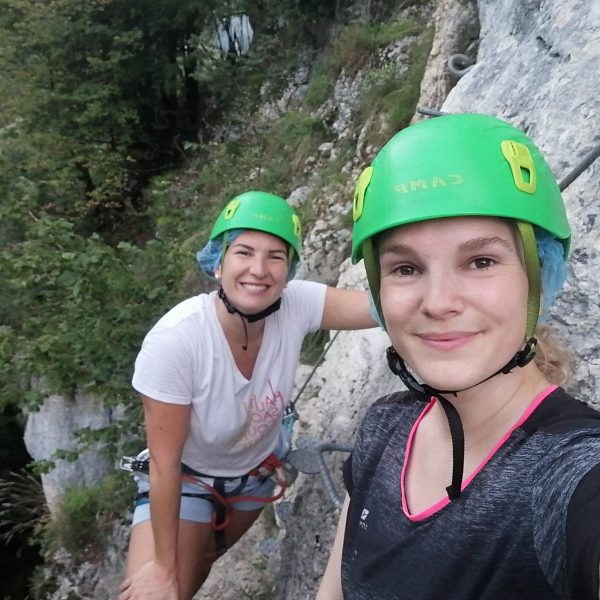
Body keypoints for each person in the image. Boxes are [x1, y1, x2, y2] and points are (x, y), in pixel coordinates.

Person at [317, 113, 600, 600]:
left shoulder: (573, 474)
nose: (438, 301)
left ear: (537, 276)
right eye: (406, 268)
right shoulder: (383, 430)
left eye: (481, 261)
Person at [118, 190, 375, 600]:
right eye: (244, 252)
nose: (259, 269)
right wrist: (163, 568)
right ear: (218, 263)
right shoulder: (177, 340)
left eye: (276, 256)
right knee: (165, 589)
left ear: (289, 269)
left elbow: (384, 306)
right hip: (188, 480)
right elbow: (164, 463)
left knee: (204, 561)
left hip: (256, 476)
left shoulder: (297, 304)